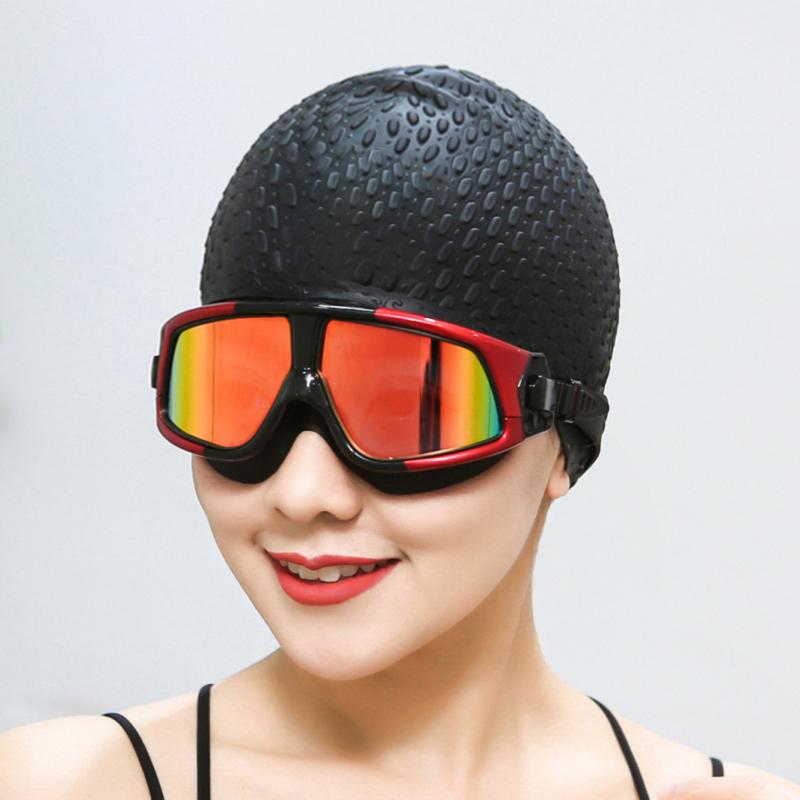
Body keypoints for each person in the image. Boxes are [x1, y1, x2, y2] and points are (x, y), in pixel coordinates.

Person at [1, 64, 796, 800]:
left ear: (562, 438)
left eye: (409, 408)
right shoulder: (58, 786)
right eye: (237, 394)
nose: (302, 493)